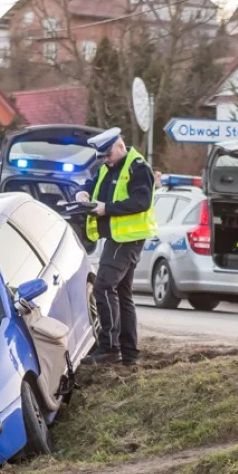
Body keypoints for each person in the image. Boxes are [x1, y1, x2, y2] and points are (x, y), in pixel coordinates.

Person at [76, 128, 157, 366]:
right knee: (122, 293)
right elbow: (91, 185)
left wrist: (106, 208)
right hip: (117, 237)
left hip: (127, 238)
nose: (104, 159)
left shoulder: (138, 167)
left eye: (107, 154)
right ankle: (130, 354)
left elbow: (142, 201)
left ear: (120, 146)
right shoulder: (107, 167)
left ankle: (109, 348)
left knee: (102, 286)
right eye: (101, 156)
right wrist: (82, 193)